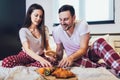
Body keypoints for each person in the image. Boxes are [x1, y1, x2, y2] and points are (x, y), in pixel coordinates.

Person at [52, 4, 120, 77]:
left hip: (87, 53)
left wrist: (70, 57)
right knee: (71, 63)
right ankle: (106, 67)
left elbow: (83, 49)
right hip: (75, 60)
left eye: (66, 19)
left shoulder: (82, 25)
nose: (62, 23)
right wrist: (55, 59)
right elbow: (59, 51)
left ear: (73, 18)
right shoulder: (56, 31)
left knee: (100, 42)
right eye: (60, 19)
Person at [2, 3, 55, 68]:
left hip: (40, 55)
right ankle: (31, 65)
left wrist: (50, 55)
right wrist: (41, 60)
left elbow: (47, 47)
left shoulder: (45, 29)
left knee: (53, 61)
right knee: (6, 62)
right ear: (30, 15)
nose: (38, 18)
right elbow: (27, 49)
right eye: (36, 15)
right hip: (26, 56)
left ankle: (28, 66)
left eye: (41, 16)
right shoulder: (23, 31)